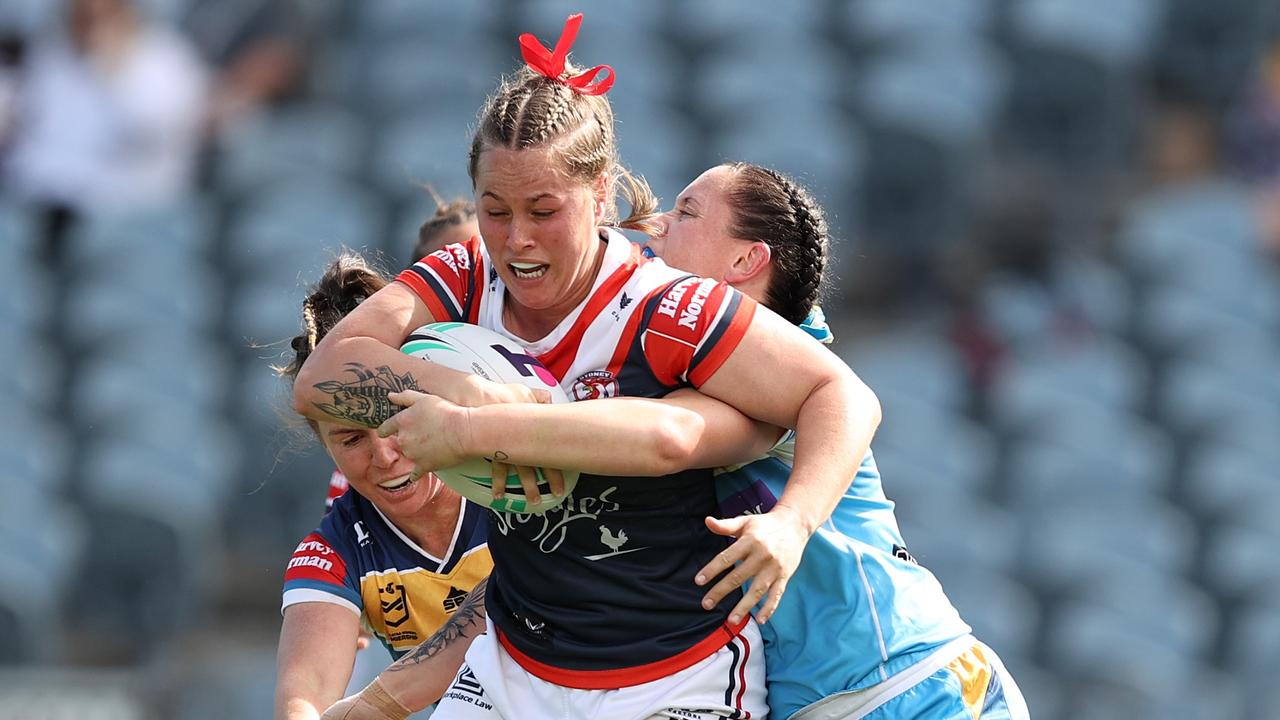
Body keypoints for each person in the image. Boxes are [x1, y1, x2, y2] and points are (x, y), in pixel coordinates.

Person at [293, 13, 880, 720]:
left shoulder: (666, 307)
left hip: (675, 677)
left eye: (545, 210)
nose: (516, 238)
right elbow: (322, 377)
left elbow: (840, 392)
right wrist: (468, 395)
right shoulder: (466, 274)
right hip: (514, 672)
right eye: (494, 209)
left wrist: (791, 524)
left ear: (600, 194)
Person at [324, 164, 1028, 720]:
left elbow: (845, 398)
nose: (658, 222)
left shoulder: (778, 366)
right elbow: (513, 593)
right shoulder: (649, 368)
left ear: (746, 261)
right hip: (804, 701)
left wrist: (792, 521)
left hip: (910, 682)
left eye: (688, 211)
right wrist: (375, 705)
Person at [274, 253, 493, 720]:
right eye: (351, 439)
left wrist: (371, 707)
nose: (385, 455)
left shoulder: (517, 482)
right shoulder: (335, 552)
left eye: (398, 422)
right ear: (323, 444)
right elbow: (304, 700)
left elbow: (512, 597)